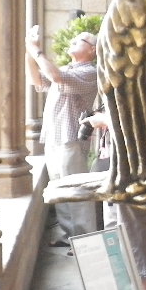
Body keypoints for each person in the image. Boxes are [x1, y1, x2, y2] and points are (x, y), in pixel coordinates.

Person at [25, 25, 99, 249]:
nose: (73, 41)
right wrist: (29, 52)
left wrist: (37, 51)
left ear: (93, 50)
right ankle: (69, 237)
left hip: (71, 139)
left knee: (76, 190)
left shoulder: (89, 72)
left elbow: (55, 77)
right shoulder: (67, 69)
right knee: (60, 189)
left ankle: (86, 242)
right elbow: (37, 81)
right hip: (54, 137)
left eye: (80, 40)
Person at [85, 111, 146, 290]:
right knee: (115, 234)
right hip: (115, 167)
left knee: (136, 236)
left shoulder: (137, 89)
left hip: (133, 169)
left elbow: (136, 123)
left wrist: (104, 120)